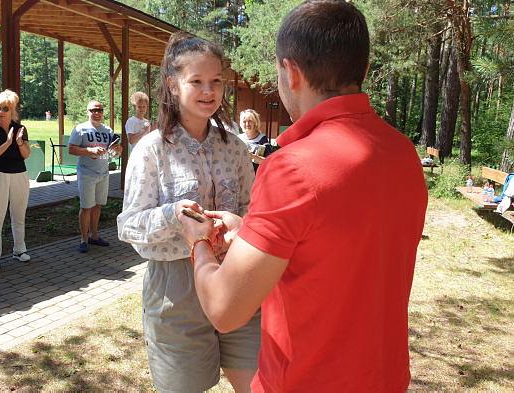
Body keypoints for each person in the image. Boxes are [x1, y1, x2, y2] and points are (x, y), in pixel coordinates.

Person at [178, 2, 428, 391]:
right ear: (362, 70)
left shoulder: (292, 167)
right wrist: (252, 233)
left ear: (290, 72)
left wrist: (198, 244)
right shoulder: (401, 153)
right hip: (384, 379)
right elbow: (342, 246)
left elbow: (225, 309)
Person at [117, 33, 259, 392]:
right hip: (175, 287)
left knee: (260, 383)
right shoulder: (151, 150)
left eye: (216, 81)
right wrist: (171, 215)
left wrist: (239, 228)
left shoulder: (235, 148)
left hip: (237, 276)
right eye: (196, 81)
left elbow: (251, 209)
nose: (208, 91)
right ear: (172, 84)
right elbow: (129, 225)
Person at [0, 89, 31, 269]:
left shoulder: (21, 129)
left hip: (19, 175)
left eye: (5, 108)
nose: (1, 112)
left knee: (19, 215)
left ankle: (19, 250)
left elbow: (26, 154)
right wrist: (7, 143)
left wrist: (19, 143)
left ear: (12, 110)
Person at [68, 100, 121, 253]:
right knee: (86, 207)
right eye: (93, 110)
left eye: (99, 110)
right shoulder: (80, 129)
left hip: (103, 173)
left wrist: (118, 149)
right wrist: (89, 151)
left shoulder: (108, 130)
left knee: (98, 205)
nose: (96, 113)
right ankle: (83, 239)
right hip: (86, 173)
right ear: (88, 112)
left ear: (103, 112)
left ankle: (95, 236)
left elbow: (115, 153)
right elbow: (71, 149)